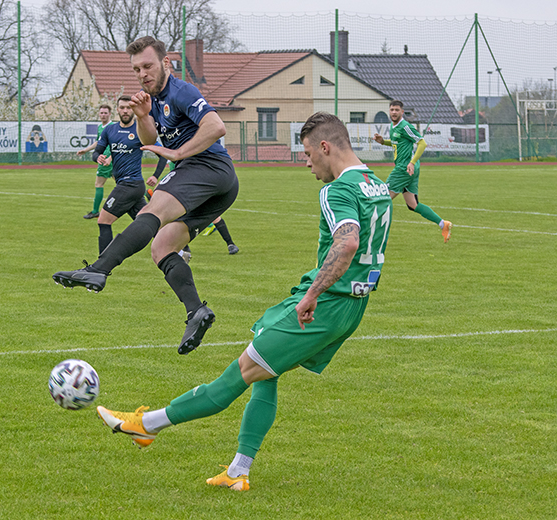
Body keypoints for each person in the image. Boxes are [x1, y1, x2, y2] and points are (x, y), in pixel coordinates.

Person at [96, 112, 393, 491]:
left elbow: (348, 241)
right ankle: (238, 472)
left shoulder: (337, 190)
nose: (306, 162)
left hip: (325, 304)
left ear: (325, 147)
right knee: (264, 370)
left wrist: (314, 294)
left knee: (237, 375)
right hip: (349, 303)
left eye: (306, 153)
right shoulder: (376, 184)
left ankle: (146, 425)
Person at [53, 36, 239, 355]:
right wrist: (142, 116)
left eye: (148, 66)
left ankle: (99, 270)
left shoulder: (181, 91)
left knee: (149, 213)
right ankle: (197, 311)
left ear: (165, 63)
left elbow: (216, 126)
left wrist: (178, 152)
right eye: (137, 68)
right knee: (162, 247)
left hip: (207, 167)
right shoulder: (152, 99)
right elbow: (149, 138)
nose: (142, 73)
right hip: (220, 184)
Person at [373, 100, 452, 242]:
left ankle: (368, 234)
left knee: (381, 198)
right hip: (409, 168)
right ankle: (443, 224)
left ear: (402, 112)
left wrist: (411, 162)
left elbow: (422, 143)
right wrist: (383, 142)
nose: (394, 112)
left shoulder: (405, 126)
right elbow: (399, 142)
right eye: (392, 109)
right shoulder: (393, 126)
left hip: (404, 169)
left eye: (397, 110)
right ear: (389, 111)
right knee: (413, 205)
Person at [92, 95, 149, 254]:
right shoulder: (110, 130)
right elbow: (96, 152)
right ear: (117, 110)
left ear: (133, 110)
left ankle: (102, 264)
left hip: (130, 184)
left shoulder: (140, 129)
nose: (125, 111)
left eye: (128, 108)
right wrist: (99, 157)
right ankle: (180, 250)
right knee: (147, 222)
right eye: (122, 107)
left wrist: (156, 175)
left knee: (103, 220)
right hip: (128, 186)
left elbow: (160, 153)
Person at [150, 157, 240, 255]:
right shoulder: (180, 152)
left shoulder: (180, 153)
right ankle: (230, 244)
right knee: (211, 216)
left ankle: (185, 249)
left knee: (177, 215)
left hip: (189, 184)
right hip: (191, 182)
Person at [77, 105, 114, 219]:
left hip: (105, 159)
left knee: (99, 184)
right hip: (110, 158)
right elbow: (98, 142)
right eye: (101, 113)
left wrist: (110, 157)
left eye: (105, 113)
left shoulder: (112, 127)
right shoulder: (100, 127)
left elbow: (117, 144)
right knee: (124, 183)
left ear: (110, 114)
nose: (103, 115)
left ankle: (95, 211)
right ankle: (144, 199)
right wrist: (86, 150)